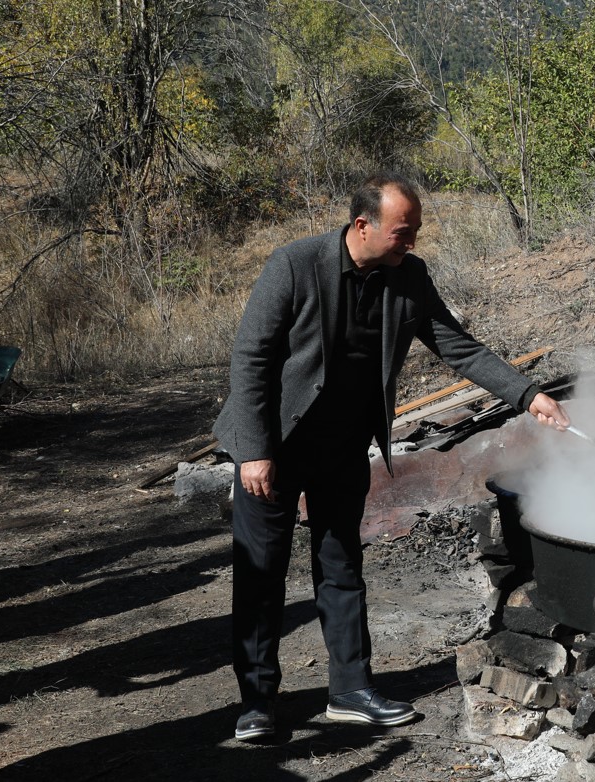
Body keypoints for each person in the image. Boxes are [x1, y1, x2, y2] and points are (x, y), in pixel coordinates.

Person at [212, 174, 569, 741]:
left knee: (342, 566)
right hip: (275, 447)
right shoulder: (294, 265)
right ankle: (257, 701)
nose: (412, 242)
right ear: (362, 226)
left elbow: (457, 345)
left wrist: (528, 395)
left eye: (415, 232)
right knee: (262, 576)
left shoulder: (410, 276)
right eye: (403, 232)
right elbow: (250, 358)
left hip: (344, 445)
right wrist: (254, 452)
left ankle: (350, 690)